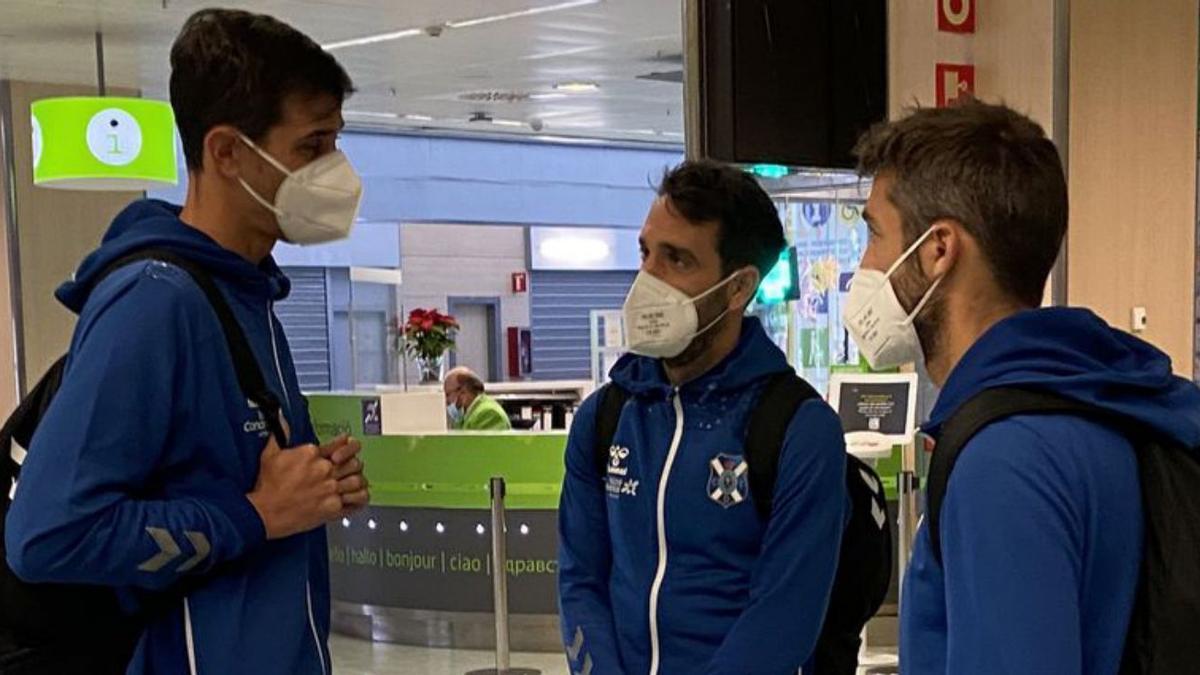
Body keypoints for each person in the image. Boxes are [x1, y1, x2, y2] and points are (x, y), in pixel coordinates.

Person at [5, 8, 369, 674]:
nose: (337, 172)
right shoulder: (156, 302)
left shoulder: (249, 295)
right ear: (226, 151)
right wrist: (257, 513)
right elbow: (48, 534)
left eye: (337, 144)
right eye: (312, 147)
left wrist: (315, 483)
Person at [847, 101, 1200, 675]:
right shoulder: (1105, 395)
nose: (864, 265)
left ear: (938, 249)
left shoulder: (1005, 458)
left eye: (875, 235)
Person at [558, 160, 848, 674]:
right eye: (646, 252)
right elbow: (581, 579)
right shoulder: (604, 418)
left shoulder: (797, 430)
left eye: (678, 260)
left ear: (738, 289)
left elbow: (784, 616)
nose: (649, 279)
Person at [444, 367, 512, 431]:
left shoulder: (488, 413)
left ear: (462, 391)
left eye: (448, 394)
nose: (446, 401)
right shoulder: (462, 417)